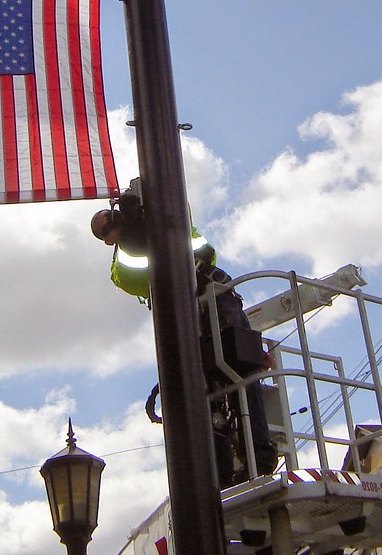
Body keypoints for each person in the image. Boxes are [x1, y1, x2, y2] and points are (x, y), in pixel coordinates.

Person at [91, 181, 278, 486]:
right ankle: (231, 466)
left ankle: (257, 456)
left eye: (112, 218)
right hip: (200, 311)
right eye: (108, 226)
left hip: (215, 299)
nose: (115, 225)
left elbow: (204, 251)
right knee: (212, 388)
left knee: (241, 372)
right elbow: (137, 278)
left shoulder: (168, 226)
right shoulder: (130, 255)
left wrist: (150, 223)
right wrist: (141, 234)